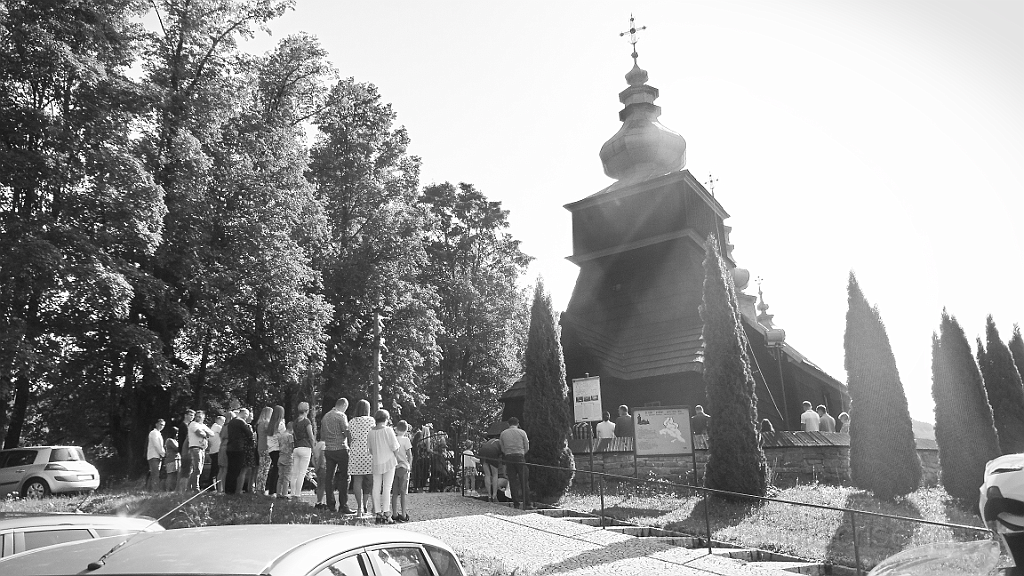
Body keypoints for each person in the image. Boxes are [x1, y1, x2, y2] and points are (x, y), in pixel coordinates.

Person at [366, 409, 400, 524]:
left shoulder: (371, 432)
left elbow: (370, 450)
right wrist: (397, 458)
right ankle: (386, 512)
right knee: (387, 488)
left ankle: (378, 513)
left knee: (376, 487)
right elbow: (395, 447)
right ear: (386, 419)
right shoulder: (388, 430)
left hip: (376, 461)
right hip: (389, 461)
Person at [320, 397, 353, 514]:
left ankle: (331, 504)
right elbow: (346, 431)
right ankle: (343, 505)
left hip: (328, 449)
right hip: (341, 448)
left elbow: (322, 434)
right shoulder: (341, 416)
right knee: (345, 476)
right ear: (344, 406)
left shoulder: (325, 417)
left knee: (329, 478)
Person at [347, 399, 375, 515]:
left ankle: (359, 508)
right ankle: (367, 505)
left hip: (355, 453)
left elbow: (349, 438)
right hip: (368, 453)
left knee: (357, 481)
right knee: (370, 481)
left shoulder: (352, 422)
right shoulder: (371, 420)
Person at [500, 417, 531, 510]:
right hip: (520, 456)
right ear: (517, 423)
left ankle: (516, 503)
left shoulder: (503, 433)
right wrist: (522, 453)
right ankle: (527, 503)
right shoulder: (522, 432)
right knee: (524, 481)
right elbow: (527, 446)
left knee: (512, 481)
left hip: (509, 457)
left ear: (508, 424)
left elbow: (502, 448)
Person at [290, 402, 315, 502]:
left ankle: (292, 493)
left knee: (294, 472)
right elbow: (311, 436)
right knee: (302, 472)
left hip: (296, 448)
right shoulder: (306, 421)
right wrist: (313, 448)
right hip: (305, 447)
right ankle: (297, 494)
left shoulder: (295, 422)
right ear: (307, 410)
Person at [225, 408, 253, 494]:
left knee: (230, 470)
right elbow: (249, 434)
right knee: (237, 470)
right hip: (238, 448)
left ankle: (228, 490)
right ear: (244, 414)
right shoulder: (241, 422)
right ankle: (233, 490)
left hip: (230, 447)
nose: (247, 417)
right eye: (247, 414)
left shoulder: (231, 422)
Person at [391, 420, 413, 522]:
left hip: (394, 467)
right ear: (406, 429)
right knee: (403, 492)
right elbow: (409, 455)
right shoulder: (406, 440)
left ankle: (394, 513)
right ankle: (403, 514)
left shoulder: (393, 439)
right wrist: (410, 466)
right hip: (404, 467)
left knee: (394, 493)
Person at [187, 410, 213, 492]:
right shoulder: (193, 424)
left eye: (199, 416)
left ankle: (189, 488)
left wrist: (205, 432)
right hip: (195, 448)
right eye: (196, 416)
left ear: (203, 417)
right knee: (197, 468)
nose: (197, 417)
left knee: (200, 469)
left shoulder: (203, 425)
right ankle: (195, 488)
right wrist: (205, 434)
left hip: (202, 449)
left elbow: (212, 433)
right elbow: (199, 433)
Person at [265, 405, 285, 496]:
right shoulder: (280, 424)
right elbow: (284, 437)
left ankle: (271, 489)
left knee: (274, 469)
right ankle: (275, 490)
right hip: (278, 448)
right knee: (278, 470)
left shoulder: (271, 424)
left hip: (271, 449)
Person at [477, 433, 502, 502]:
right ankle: (494, 495)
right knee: (495, 474)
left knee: (487, 474)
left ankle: (489, 495)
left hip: (482, 451)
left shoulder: (490, 441)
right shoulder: (500, 442)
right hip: (492, 452)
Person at [254, 406, 273, 494]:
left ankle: (259, 487)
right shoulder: (266, 423)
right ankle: (261, 488)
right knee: (265, 469)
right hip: (266, 447)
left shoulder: (259, 424)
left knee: (261, 468)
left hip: (260, 447)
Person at [216, 410, 235, 492]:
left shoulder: (223, 426)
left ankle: (219, 489)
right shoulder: (230, 427)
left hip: (221, 447)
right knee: (225, 469)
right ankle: (223, 489)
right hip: (227, 447)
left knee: (221, 469)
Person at [276, 421, 294, 498]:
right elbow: (291, 446)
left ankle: (278, 493)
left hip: (280, 456)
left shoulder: (281, 435)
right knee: (286, 477)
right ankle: (285, 493)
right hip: (288, 457)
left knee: (280, 477)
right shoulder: (290, 436)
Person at [146, 419, 166, 491]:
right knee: (155, 474)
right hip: (154, 455)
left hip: (157, 456)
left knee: (154, 474)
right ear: (156, 424)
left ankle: (150, 490)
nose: (162, 426)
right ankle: (155, 490)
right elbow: (157, 445)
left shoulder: (158, 433)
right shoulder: (154, 433)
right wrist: (163, 454)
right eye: (161, 424)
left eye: (163, 425)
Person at [207, 414, 225, 490]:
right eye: (223, 421)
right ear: (219, 421)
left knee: (215, 469)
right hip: (216, 451)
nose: (224, 423)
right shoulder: (217, 427)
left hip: (213, 451)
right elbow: (224, 431)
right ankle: (211, 486)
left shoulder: (213, 428)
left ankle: (212, 486)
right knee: (215, 470)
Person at [163, 426, 180, 492]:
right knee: (170, 475)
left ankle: (172, 489)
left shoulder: (175, 440)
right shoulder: (169, 440)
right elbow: (177, 448)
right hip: (171, 459)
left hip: (176, 459)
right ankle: (168, 489)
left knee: (174, 475)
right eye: (177, 433)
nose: (177, 435)